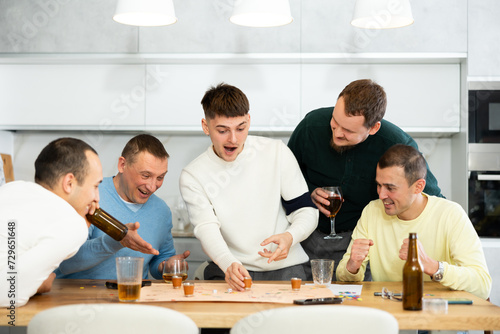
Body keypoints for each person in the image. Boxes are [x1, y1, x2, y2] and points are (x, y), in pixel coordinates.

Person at [287, 79, 443, 280]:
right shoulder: (311, 126)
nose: (337, 133)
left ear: (374, 128)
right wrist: (309, 193)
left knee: (358, 305)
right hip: (307, 239)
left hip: (361, 244)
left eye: (349, 131)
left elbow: (433, 199)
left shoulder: (396, 143)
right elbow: (285, 179)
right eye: (335, 122)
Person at [180, 83, 318, 292]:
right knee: (219, 322)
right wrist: (228, 263)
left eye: (240, 128)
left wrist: (291, 237)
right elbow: (206, 229)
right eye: (222, 130)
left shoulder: (276, 152)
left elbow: (306, 211)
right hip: (230, 268)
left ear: (249, 121)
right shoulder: (193, 175)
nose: (233, 139)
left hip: (285, 268)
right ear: (205, 126)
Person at [336, 144, 491, 299]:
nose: (382, 195)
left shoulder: (451, 214)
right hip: (388, 312)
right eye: (379, 185)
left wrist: (432, 266)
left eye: (390, 188)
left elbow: (482, 286)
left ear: (418, 186)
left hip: (439, 314)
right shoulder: (372, 211)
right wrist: (352, 266)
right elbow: (343, 279)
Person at [55, 134, 189, 280]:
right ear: (122, 165)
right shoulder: (91, 196)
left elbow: (161, 258)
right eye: (145, 175)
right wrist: (116, 240)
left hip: (133, 295)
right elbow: (66, 261)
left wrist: (167, 266)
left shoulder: (161, 211)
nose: (152, 186)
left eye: (160, 177)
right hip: (78, 296)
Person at [0, 138, 102, 306]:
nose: (96, 198)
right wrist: (40, 285)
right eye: (95, 186)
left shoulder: (12, 188)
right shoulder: (72, 225)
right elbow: (8, 294)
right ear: (69, 183)